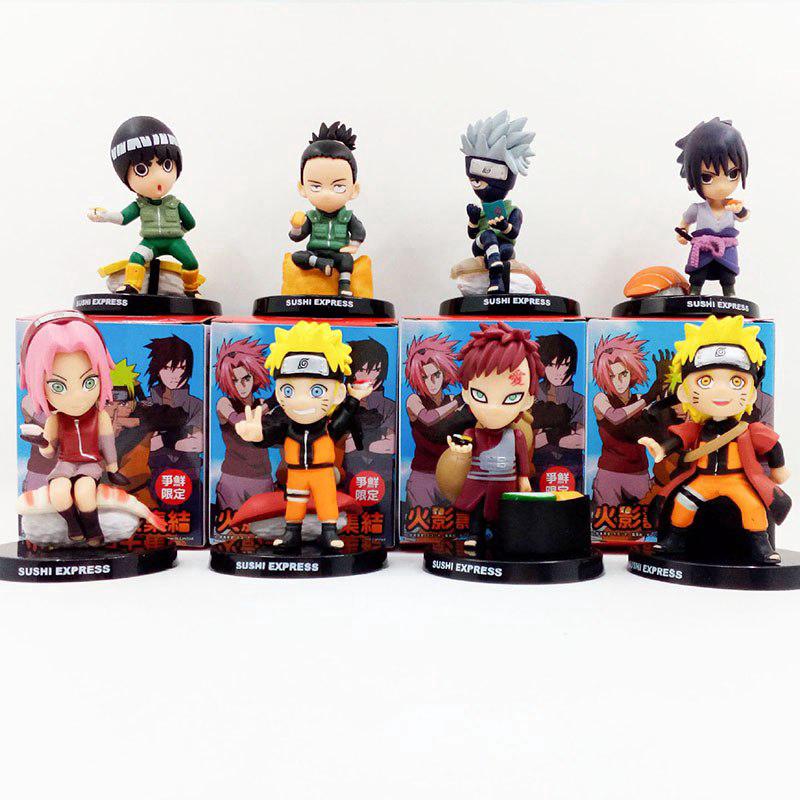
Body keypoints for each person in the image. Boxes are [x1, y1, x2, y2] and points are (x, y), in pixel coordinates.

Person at [639, 315, 790, 564]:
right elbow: (678, 441)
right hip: (703, 479)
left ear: (752, 394)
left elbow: (772, 446)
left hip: (737, 480)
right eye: (705, 381)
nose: (721, 390)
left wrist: (778, 469)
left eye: (736, 381)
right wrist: (660, 449)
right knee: (683, 502)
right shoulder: (696, 428)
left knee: (752, 506)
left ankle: (762, 546)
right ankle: (674, 540)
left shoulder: (747, 430)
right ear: (685, 392)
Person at [235, 321, 373, 553]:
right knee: (295, 504)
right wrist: (256, 436)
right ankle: (291, 534)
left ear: (337, 393)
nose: (300, 400)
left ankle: (329, 533)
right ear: (278, 392)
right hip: (296, 473)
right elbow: (270, 434)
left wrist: (354, 399)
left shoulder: (327, 426)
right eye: (289, 391)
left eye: (316, 391)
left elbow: (343, 420)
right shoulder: (286, 425)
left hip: (322, 472)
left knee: (327, 501)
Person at [440, 322, 541, 553]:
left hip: (505, 483)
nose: (494, 408)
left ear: (527, 400)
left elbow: (522, 459)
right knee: (477, 511)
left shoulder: (516, 434)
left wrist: (524, 478)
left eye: (511, 398)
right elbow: (465, 445)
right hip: (478, 482)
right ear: (466, 393)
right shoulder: (473, 433)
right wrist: (460, 452)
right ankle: (475, 535)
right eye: (480, 395)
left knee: (502, 513)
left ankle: (502, 537)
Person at [18, 310, 117, 545]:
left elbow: (107, 443)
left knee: (84, 492)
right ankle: (73, 526)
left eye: (89, 382)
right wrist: (42, 443)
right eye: (58, 386)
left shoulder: (99, 416)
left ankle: (94, 531)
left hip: (90, 464)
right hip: (64, 464)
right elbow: (49, 452)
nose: (76, 397)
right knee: (59, 492)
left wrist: (112, 467)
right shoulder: (55, 420)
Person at [87, 116, 202, 295]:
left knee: (191, 262)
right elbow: (123, 218)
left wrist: (177, 232)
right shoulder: (140, 205)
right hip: (150, 242)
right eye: (142, 170)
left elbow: (190, 223)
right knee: (136, 257)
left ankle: (191, 289)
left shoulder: (175, 203)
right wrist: (105, 216)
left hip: (174, 241)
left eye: (166, 165)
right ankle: (132, 285)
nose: (159, 178)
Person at [591, 334, 670, 507]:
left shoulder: (641, 399)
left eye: (623, 373)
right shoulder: (601, 399)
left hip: (639, 473)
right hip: (609, 474)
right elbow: (615, 417)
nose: (619, 381)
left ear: (632, 372)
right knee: (607, 520)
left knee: (643, 520)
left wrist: (664, 384)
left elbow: (663, 416)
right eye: (611, 376)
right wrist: (648, 398)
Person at [460, 111, 535, 293]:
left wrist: (503, 226)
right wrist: (473, 219)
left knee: (505, 249)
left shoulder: (513, 211)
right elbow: (472, 234)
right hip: (481, 245)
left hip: (502, 248)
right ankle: (495, 273)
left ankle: (497, 275)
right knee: (487, 235)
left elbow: (513, 232)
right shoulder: (483, 211)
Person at [289, 121, 365, 296]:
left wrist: (353, 246)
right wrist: (296, 226)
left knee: (347, 260)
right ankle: (320, 264)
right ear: (302, 188)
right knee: (297, 256)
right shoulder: (311, 217)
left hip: (338, 253)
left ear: (354, 190)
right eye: (316, 186)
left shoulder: (347, 217)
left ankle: (344, 287)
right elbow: (297, 236)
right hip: (315, 252)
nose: (327, 194)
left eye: (338, 187)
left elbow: (359, 231)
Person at [675, 118, 749, 296]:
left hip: (727, 248)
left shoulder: (732, 205)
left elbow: (744, 216)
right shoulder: (697, 209)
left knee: (728, 274)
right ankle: (695, 292)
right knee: (698, 273)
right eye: (707, 177)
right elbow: (685, 222)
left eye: (732, 174)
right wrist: (682, 232)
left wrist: (739, 210)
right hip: (702, 248)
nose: (721, 186)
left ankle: (729, 294)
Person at [214, 338, 274, 511]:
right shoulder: (224, 403)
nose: (241, 385)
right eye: (234, 380)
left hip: (262, 478)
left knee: (263, 525)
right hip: (233, 479)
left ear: (255, 376)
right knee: (231, 525)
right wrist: (270, 404)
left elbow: (277, 436)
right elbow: (241, 422)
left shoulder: (262, 403)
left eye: (246, 378)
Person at [404, 334, 462, 509]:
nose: (432, 382)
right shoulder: (414, 400)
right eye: (424, 377)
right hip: (423, 477)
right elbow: (428, 418)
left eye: (436, 374)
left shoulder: (451, 399)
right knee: (420, 523)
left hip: (453, 475)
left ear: (444, 373)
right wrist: (458, 402)